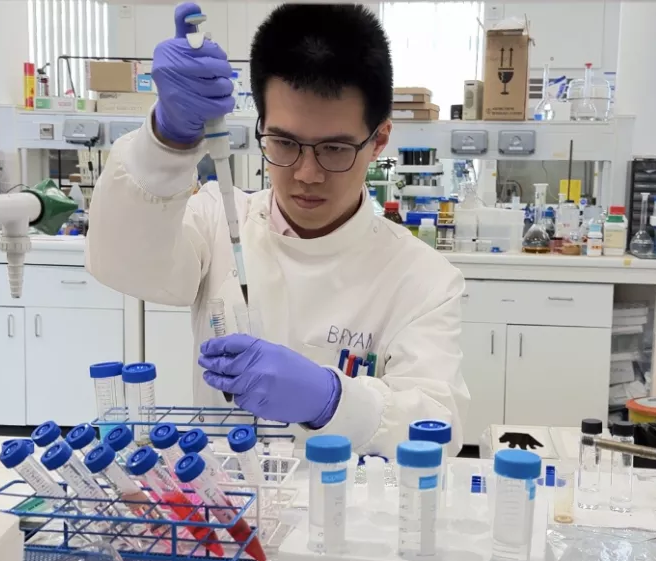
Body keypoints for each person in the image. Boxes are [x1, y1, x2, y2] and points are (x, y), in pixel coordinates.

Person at [86, 3, 468, 455]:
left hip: (347, 511)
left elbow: (437, 429)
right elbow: (125, 266)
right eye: (284, 143)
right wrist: (165, 141)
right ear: (261, 127)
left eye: (335, 148)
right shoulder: (218, 220)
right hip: (225, 507)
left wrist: (331, 400)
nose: (307, 173)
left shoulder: (422, 278)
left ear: (379, 140)